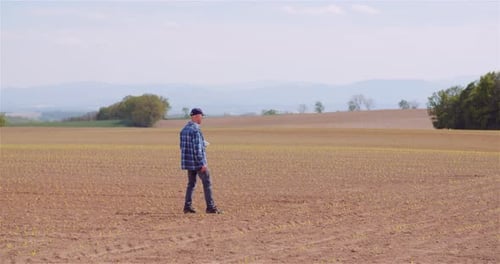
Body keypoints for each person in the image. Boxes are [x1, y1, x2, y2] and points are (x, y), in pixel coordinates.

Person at [180, 108, 222, 214]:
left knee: (191, 184)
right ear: (196, 116)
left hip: (189, 162)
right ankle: (210, 207)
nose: (202, 118)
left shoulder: (184, 130)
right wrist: (202, 163)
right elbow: (197, 149)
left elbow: (182, 146)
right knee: (207, 183)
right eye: (201, 116)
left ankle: (187, 207)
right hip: (197, 163)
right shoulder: (196, 130)